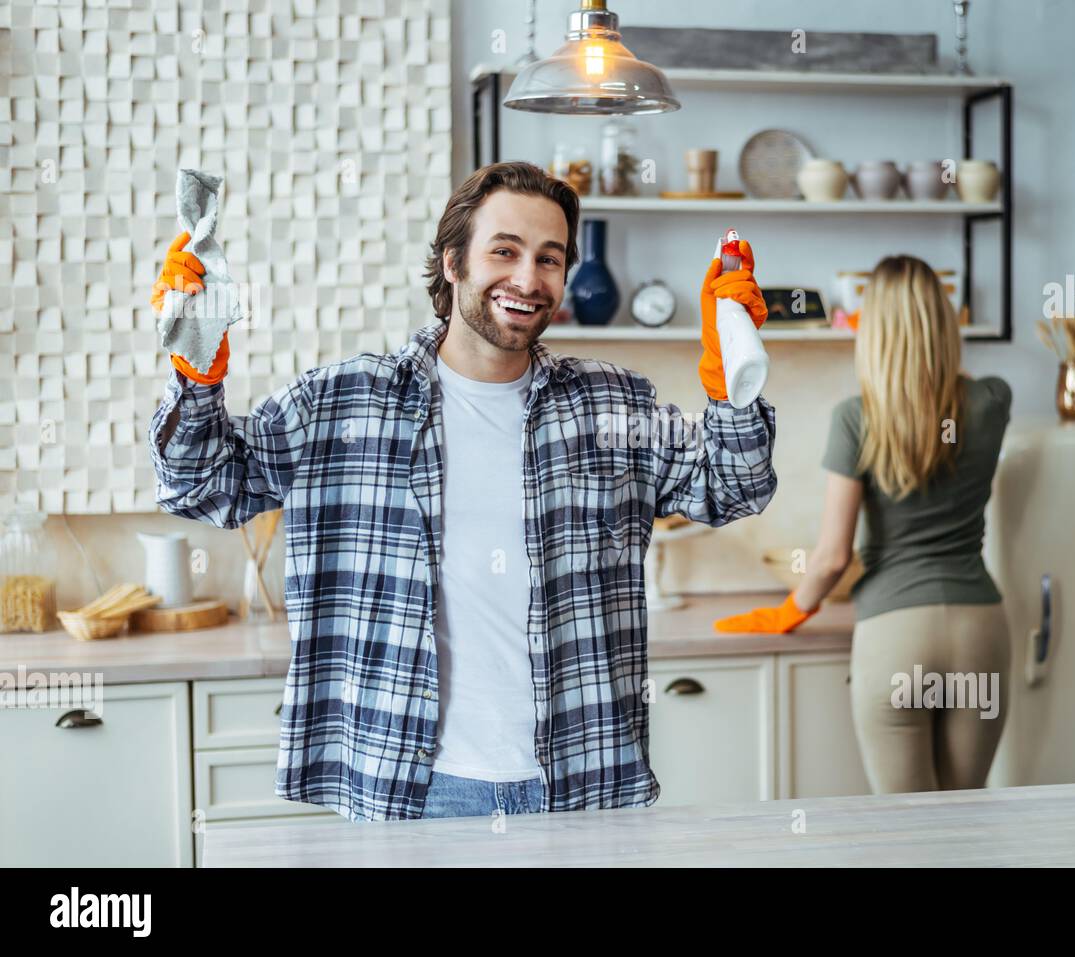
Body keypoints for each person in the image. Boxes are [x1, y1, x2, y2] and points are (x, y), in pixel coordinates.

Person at [149, 161, 775, 821]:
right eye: (504, 251)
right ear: (452, 262)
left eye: (550, 258)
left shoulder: (613, 402)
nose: (529, 279)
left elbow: (734, 484)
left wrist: (730, 379)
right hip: (415, 788)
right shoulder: (340, 404)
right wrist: (196, 368)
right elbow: (199, 484)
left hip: (584, 784)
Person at [714, 255, 1012, 795]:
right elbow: (957, 388)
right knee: (967, 823)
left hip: (895, 636)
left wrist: (789, 611)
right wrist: (934, 359)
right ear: (944, 324)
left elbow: (832, 557)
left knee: (905, 835)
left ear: (874, 331)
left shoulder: (856, 417)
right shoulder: (992, 399)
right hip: (980, 630)